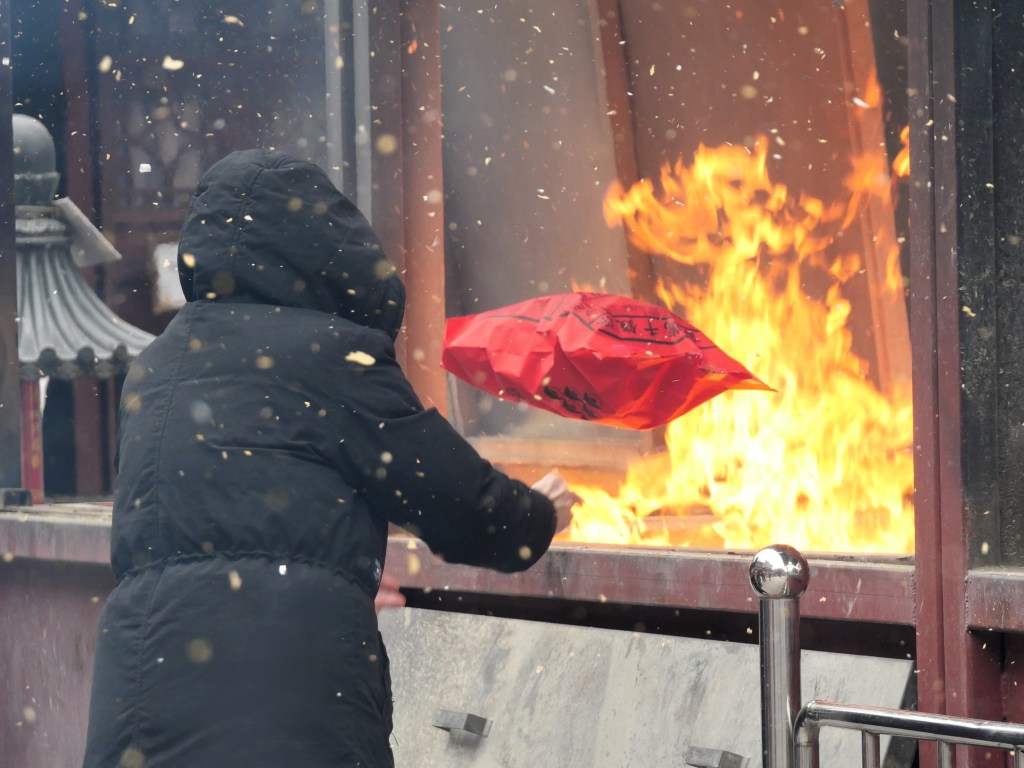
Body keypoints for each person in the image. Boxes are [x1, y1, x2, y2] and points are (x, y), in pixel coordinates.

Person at [80, 148, 577, 768]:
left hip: (142, 695)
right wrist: (534, 516)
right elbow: (452, 498)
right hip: (283, 701)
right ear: (324, 247)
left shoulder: (157, 366)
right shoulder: (331, 357)